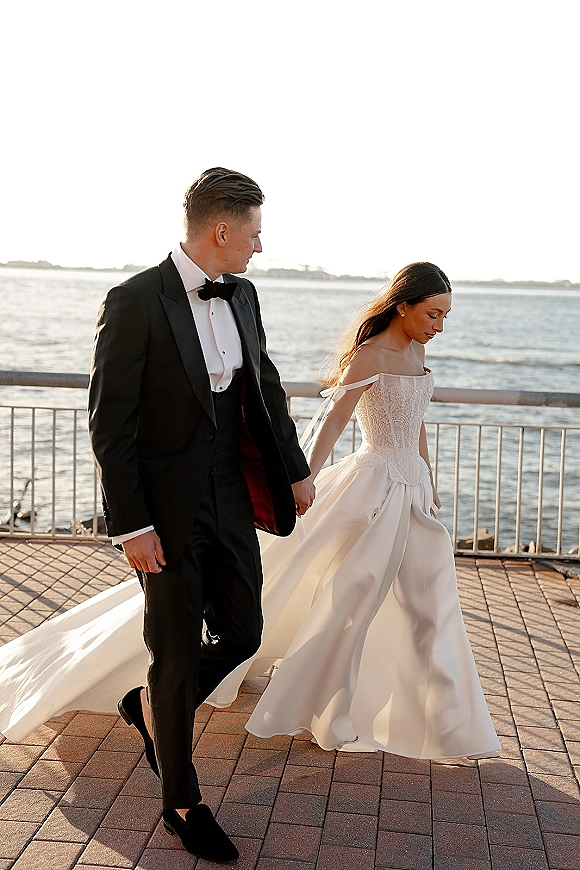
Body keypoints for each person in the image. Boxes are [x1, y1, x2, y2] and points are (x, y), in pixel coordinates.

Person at [0, 264, 498, 799]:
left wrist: (427, 476)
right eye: (433, 314)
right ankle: (323, 704)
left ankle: (445, 718)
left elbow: (415, 418)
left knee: (429, 602)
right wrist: (298, 479)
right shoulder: (371, 353)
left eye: (445, 316)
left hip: (411, 490)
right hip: (371, 489)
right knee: (350, 595)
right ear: (404, 305)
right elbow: (332, 420)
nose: (439, 326)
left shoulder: (420, 352)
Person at [87, 167, 314, 862]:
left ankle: (152, 705)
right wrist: (132, 526)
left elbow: (264, 385)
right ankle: (181, 803)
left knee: (244, 634)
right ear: (222, 229)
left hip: (229, 495)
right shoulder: (134, 302)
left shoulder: (243, 294)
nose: (259, 247)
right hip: (164, 512)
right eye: (254, 233)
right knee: (178, 652)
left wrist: (295, 468)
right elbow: (110, 422)